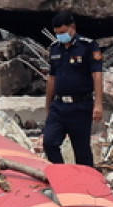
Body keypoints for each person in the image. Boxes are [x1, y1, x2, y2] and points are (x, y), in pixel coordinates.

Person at [43, 10, 104, 166]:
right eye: (57, 33)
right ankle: (62, 174)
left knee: (81, 150)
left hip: (80, 106)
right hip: (58, 106)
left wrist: (98, 104)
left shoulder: (88, 46)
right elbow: (52, 78)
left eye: (63, 32)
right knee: (49, 143)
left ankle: (87, 179)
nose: (60, 36)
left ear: (72, 27)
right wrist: (48, 105)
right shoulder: (55, 48)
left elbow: (97, 75)